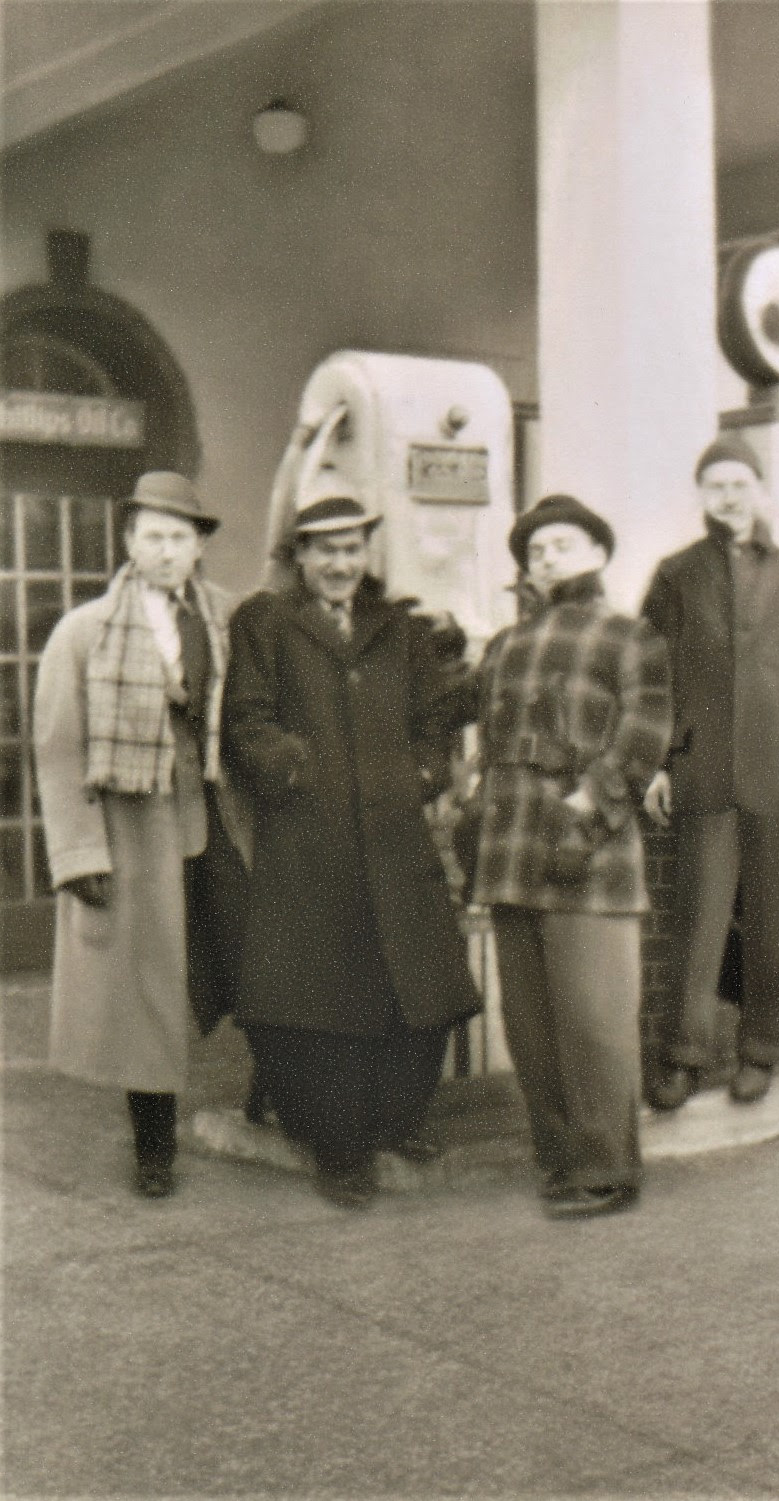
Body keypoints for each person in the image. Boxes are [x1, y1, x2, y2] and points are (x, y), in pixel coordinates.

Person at [221, 473, 481, 1210]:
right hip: (311, 842)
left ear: (368, 551)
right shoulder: (266, 623)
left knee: (415, 983)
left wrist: (423, 773)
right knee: (320, 998)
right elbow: (247, 721)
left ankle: (393, 1123)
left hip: (396, 839)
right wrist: (298, 770)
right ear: (299, 555)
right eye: (325, 550)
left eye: (351, 548)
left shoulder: (397, 628)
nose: (340, 563)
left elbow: (434, 717)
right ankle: (337, 1148)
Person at [33, 471, 241, 1199]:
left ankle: (277, 1102)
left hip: (212, 822)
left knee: (249, 960)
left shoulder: (223, 617)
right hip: (132, 831)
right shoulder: (85, 631)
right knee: (144, 994)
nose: (165, 550)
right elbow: (58, 748)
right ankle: (155, 1147)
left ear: (198, 547)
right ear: (128, 541)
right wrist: (79, 852)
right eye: (151, 535)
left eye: (179, 537)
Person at [470, 494, 672, 1219]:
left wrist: (588, 813)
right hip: (510, 852)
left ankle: (607, 1169)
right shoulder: (504, 645)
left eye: (562, 544)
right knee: (530, 1023)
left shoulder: (631, 636)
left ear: (597, 553)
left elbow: (643, 735)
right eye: (536, 549)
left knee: (593, 1021)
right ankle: (559, 1161)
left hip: (592, 854)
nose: (547, 557)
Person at [640, 435, 779, 1111]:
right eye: (715, 485)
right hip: (703, 771)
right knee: (697, 922)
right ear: (702, 495)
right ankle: (684, 1056)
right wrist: (659, 759)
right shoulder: (676, 574)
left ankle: (761, 1050)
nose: (728, 496)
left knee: (771, 920)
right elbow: (649, 674)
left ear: (759, 491)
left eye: (738, 483)